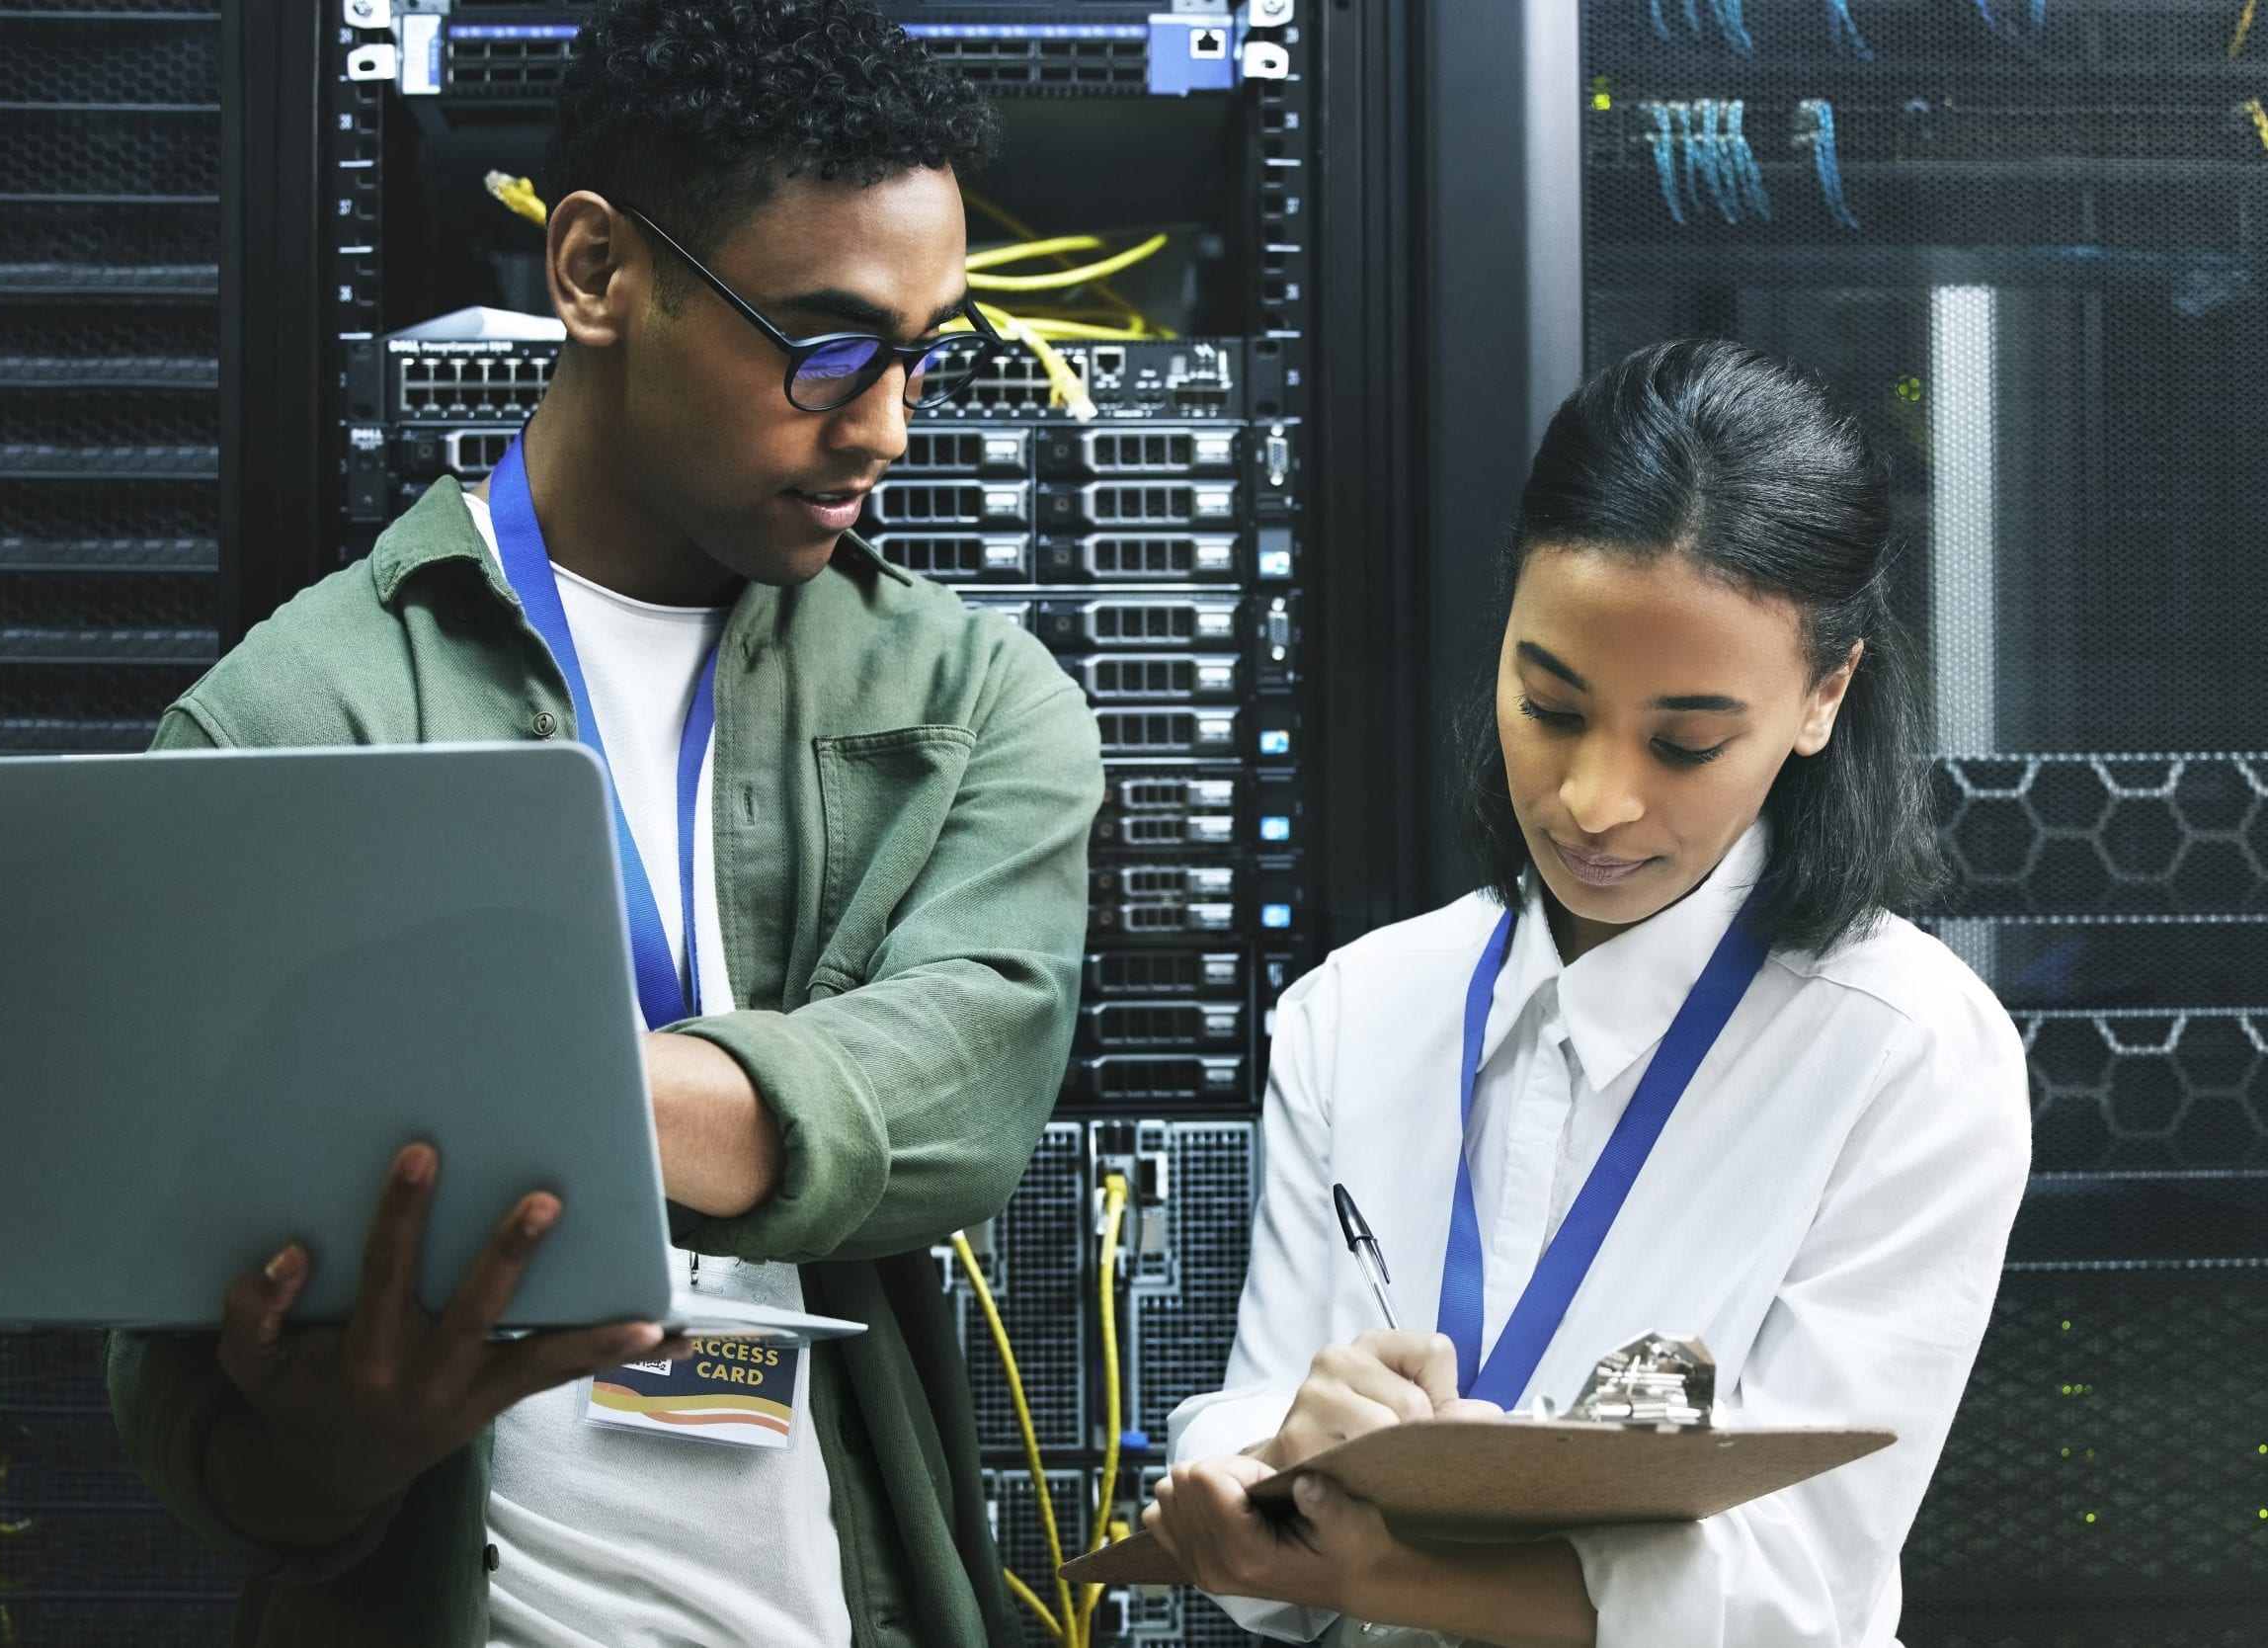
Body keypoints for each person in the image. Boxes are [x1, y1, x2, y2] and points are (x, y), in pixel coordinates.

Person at [105, 5, 1103, 1645]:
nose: (885, 429)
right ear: (592, 274)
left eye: (925, 352)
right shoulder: (284, 723)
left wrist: (451, 1097)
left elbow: (966, 1090)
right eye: (828, 344)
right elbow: (174, 1389)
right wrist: (335, 1452)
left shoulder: (976, 702)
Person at [1146, 339, 2031, 1648]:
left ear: (1823, 698)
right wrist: (1276, 1447)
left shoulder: (1906, 1052)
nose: (1592, 801)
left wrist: (1375, 1575)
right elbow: (1253, 1511)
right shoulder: (1359, 1013)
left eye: (1687, 742)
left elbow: (1794, 1590)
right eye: (1549, 704)